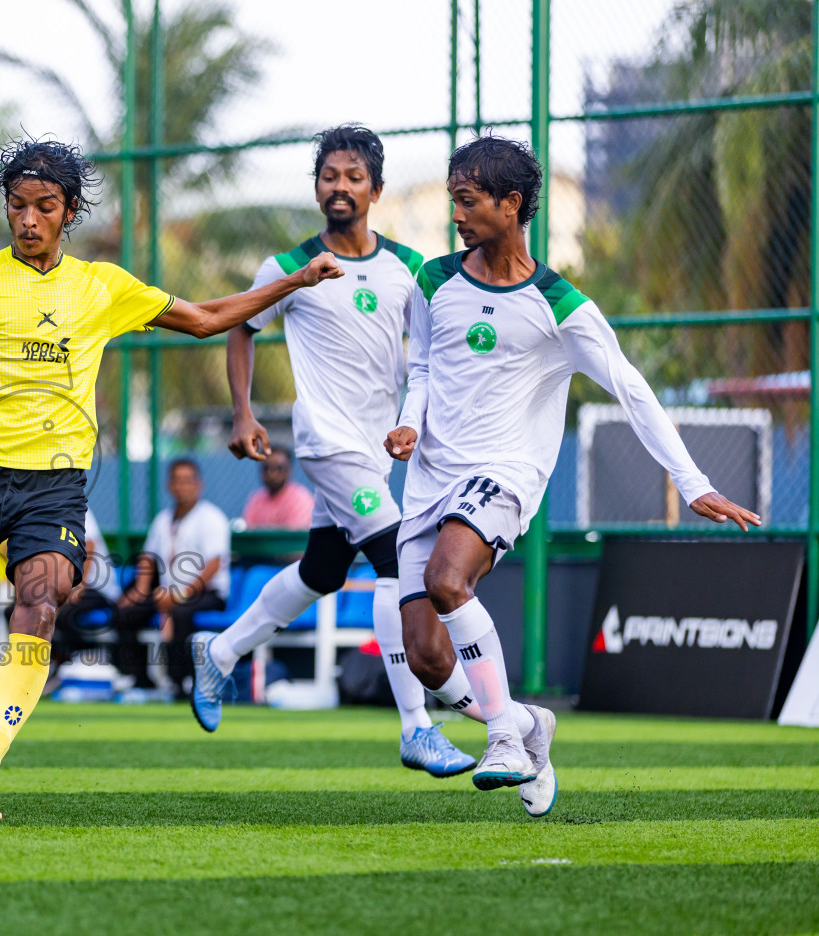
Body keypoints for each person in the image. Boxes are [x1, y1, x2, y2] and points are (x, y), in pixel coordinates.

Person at [0, 135, 342, 820]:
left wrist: (294, 281)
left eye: (44, 207)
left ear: (68, 211)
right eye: (17, 205)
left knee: (40, 604)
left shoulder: (102, 286)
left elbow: (203, 319)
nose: (27, 219)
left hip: (54, 487)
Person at [386, 134, 758, 816]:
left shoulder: (562, 306)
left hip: (504, 474)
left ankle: (503, 738)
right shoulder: (433, 281)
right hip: (429, 481)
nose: (456, 215)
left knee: (448, 579)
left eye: (468, 202)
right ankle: (531, 724)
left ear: (511, 204)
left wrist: (694, 480)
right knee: (430, 661)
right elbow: (426, 370)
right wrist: (411, 421)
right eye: (453, 201)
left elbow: (632, 390)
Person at [190, 124, 478, 779]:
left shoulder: (409, 267)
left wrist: (412, 423)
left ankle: (222, 652)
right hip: (325, 441)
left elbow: (426, 359)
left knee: (321, 571)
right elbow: (241, 324)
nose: (339, 187)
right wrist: (242, 412)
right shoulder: (289, 267)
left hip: (377, 451)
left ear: (375, 190)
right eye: (329, 176)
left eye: (353, 177)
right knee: (397, 560)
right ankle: (418, 726)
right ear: (317, 187)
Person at [113, 459, 230, 694]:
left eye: (187, 481)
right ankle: (138, 678)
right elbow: (148, 557)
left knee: (181, 612)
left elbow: (214, 564)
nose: (182, 487)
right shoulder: (163, 519)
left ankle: (182, 681)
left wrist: (180, 594)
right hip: (166, 593)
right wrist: (140, 590)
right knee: (126, 610)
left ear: (199, 485)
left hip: (205, 593)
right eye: (177, 481)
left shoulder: (212, 518)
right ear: (169, 485)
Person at [50, 506, 121, 671]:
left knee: (63, 613)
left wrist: (79, 585)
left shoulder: (76, 505)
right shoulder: (40, 509)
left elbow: (89, 545)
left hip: (98, 588)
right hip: (64, 587)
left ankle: (79, 662)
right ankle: (55, 665)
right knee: (22, 611)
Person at [241, 448, 314, 529]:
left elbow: (292, 538)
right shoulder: (256, 499)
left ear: (289, 470)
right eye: (266, 468)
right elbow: (248, 533)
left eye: (278, 468)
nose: (271, 474)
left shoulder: (300, 499)